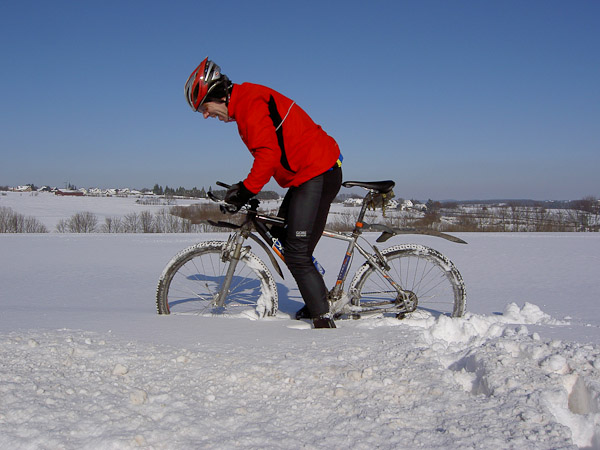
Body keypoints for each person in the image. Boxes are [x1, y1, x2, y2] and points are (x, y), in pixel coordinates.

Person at [184, 57, 342, 328]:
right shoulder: (246, 101)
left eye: (204, 108)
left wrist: (246, 190)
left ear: (217, 95)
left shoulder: (249, 104)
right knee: (282, 236)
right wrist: (244, 187)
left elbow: (268, 155)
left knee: (297, 253)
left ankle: (323, 322)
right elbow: (268, 151)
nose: (206, 116)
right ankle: (318, 299)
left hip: (317, 171)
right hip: (306, 174)